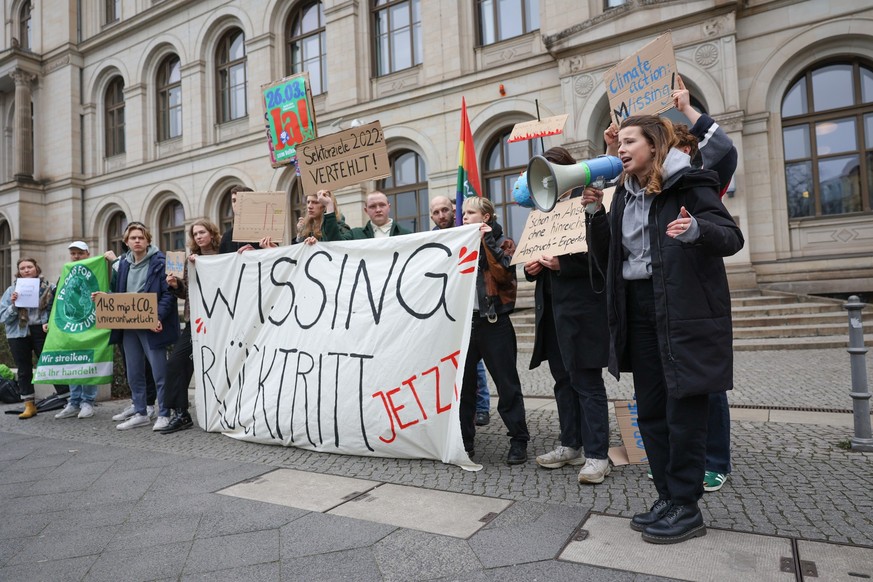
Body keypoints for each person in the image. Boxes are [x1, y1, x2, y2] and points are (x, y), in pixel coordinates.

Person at [585, 115, 743, 544]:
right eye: (619, 142)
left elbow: (731, 238)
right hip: (638, 308)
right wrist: (596, 213)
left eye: (629, 141)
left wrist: (696, 230)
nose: (620, 148)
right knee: (650, 410)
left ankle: (687, 506)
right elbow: (609, 258)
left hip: (680, 309)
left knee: (683, 413)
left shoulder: (689, 184)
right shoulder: (623, 195)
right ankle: (667, 497)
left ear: (654, 146)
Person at [524, 147, 611, 484]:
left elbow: (603, 259)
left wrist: (565, 264)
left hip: (581, 313)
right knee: (562, 381)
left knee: (588, 383)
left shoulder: (590, 207)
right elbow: (535, 259)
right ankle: (570, 443)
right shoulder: (542, 212)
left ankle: (597, 454)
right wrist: (532, 269)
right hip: (554, 314)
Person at [672, 77, 739, 493]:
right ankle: (684, 459)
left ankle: (716, 460)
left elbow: (725, 148)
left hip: (701, 291)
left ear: (689, 151)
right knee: (677, 383)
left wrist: (687, 109)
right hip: (669, 293)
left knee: (708, 383)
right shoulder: (651, 181)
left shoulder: (702, 174)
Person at [459, 196, 529, 464]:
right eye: (463, 213)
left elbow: (503, 275)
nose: (464, 217)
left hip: (494, 322)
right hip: (466, 325)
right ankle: (465, 442)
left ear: (485, 217)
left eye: (470, 213)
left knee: (507, 385)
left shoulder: (503, 242)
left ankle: (519, 440)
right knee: (464, 387)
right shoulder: (457, 241)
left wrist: (486, 242)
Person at [96, 223, 180, 430]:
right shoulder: (124, 264)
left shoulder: (162, 261)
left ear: (148, 240)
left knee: (159, 372)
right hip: (129, 325)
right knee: (134, 371)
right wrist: (105, 299)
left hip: (152, 324)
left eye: (141, 238)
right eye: (133, 238)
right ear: (126, 242)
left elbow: (169, 294)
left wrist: (158, 316)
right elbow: (120, 292)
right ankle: (141, 411)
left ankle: (164, 413)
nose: (137, 241)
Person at [430, 195, 492, 426]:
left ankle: (482, 406)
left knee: (475, 363)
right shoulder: (433, 237)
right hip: (448, 309)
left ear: (453, 210)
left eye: (445, 210)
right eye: (436, 212)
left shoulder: (469, 230)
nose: (441, 215)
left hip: (473, 307)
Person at [160, 219, 221, 434]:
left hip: (223, 322)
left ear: (212, 233)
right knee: (175, 363)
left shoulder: (226, 255)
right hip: (196, 321)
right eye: (195, 234)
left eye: (202, 232)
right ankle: (181, 413)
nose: (198, 237)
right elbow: (186, 292)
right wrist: (176, 286)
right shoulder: (190, 261)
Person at [52, 241, 101, 419]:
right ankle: (73, 402)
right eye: (73, 253)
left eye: (79, 253)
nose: (76, 256)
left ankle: (88, 402)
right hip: (70, 325)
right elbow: (57, 298)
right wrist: (49, 320)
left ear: (87, 253)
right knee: (73, 362)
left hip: (90, 324)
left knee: (88, 362)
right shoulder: (65, 274)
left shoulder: (95, 271)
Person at [0, 258, 53, 419]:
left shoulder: (48, 288)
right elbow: (3, 318)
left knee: (50, 364)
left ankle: (67, 399)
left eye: (29, 267)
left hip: (40, 330)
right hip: (18, 332)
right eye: (22, 268)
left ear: (36, 268)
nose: (26, 270)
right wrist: (14, 305)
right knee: (24, 370)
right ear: (19, 271)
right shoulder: (11, 291)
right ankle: (29, 405)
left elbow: (54, 310)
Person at [218, 185, 260, 253]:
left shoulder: (264, 233)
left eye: (240, 200)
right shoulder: (227, 236)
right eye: (234, 201)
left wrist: (255, 253)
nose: (236, 204)